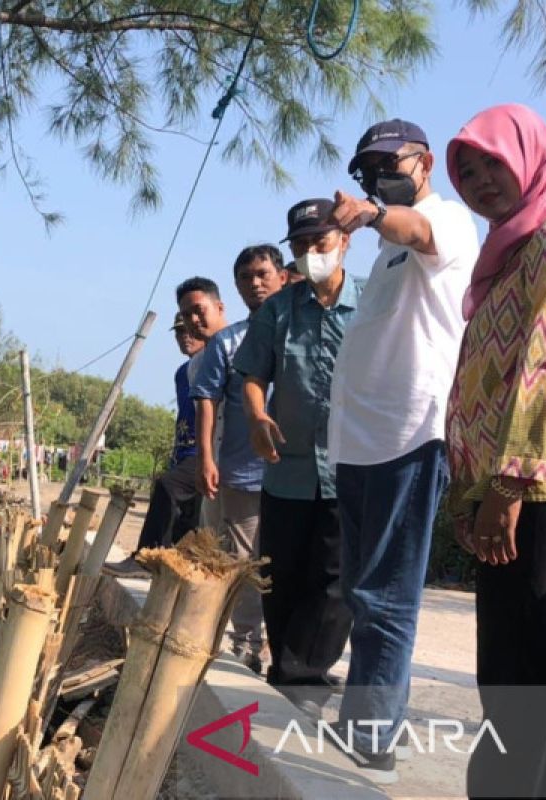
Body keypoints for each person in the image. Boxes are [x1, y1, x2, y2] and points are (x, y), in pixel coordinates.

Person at [325, 119, 480, 783]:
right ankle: (360, 719)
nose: (376, 176)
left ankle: (375, 734)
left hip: (409, 436)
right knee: (362, 591)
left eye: (388, 164)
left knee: (387, 595)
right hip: (360, 445)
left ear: (423, 165)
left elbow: (414, 231)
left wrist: (369, 213)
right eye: (366, 170)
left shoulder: (443, 221)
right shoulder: (385, 252)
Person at [444, 104, 546, 798]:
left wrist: (506, 487)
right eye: (467, 171)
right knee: (512, 670)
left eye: (492, 161)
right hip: (502, 484)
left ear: (526, 154)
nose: (481, 180)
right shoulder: (504, 253)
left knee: (523, 673)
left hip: (540, 487)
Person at [233, 198, 362, 717]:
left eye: (321, 242)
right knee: (281, 574)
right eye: (302, 245)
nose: (312, 253)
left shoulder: (372, 303)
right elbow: (252, 376)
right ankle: (291, 666)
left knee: (335, 580)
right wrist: (258, 417)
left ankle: (301, 675)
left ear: (345, 241)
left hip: (351, 466)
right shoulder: (277, 312)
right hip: (287, 469)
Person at [190, 252, 287, 674]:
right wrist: (207, 456)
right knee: (245, 564)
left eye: (263, 274)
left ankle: (285, 647)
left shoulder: (299, 332)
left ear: (282, 277)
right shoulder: (228, 343)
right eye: (245, 277)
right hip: (242, 473)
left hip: (297, 474)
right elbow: (206, 401)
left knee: (288, 563)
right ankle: (246, 642)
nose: (255, 283)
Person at [105, 312, 206, 577]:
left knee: (169, 486)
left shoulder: (213, 364)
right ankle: (171, 565)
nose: (185, 337)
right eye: (179, 332)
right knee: (187, 513)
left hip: (206, 450)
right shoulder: (182, 374)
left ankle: (146, 559)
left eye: (190, 331)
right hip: (185, 451)